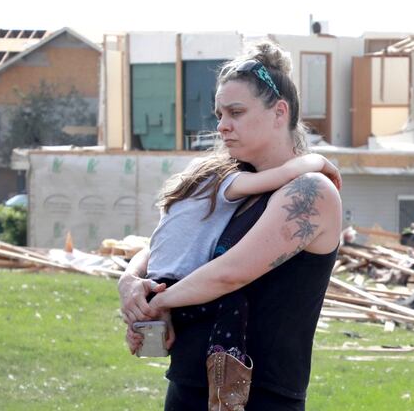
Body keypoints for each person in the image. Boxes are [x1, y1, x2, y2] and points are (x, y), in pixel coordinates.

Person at [118, 41, 342, 411]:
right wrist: (130, 281)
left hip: (262, 398)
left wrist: (157, 302)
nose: (222, 126)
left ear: (279, 112)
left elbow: (231, 273)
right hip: (188, 387)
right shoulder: (223, 179)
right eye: (219, 113)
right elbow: (171, 240)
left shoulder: (310, 191)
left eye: (235, 112)